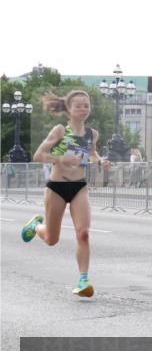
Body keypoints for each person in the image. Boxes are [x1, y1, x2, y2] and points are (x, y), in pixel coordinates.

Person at [20, 90, 111, 298]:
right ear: (68, 110)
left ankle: (83, 280)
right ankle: (36, 225)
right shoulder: (60, 130)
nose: (83, 109)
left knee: (84, 233)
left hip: (79, 186)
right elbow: (38, 155)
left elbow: (91, 152)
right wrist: (61, 160)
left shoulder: (92, 134)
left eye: (86, 105)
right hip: (57, 187)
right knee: (52, 240)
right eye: (78, 106)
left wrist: (100, 161)